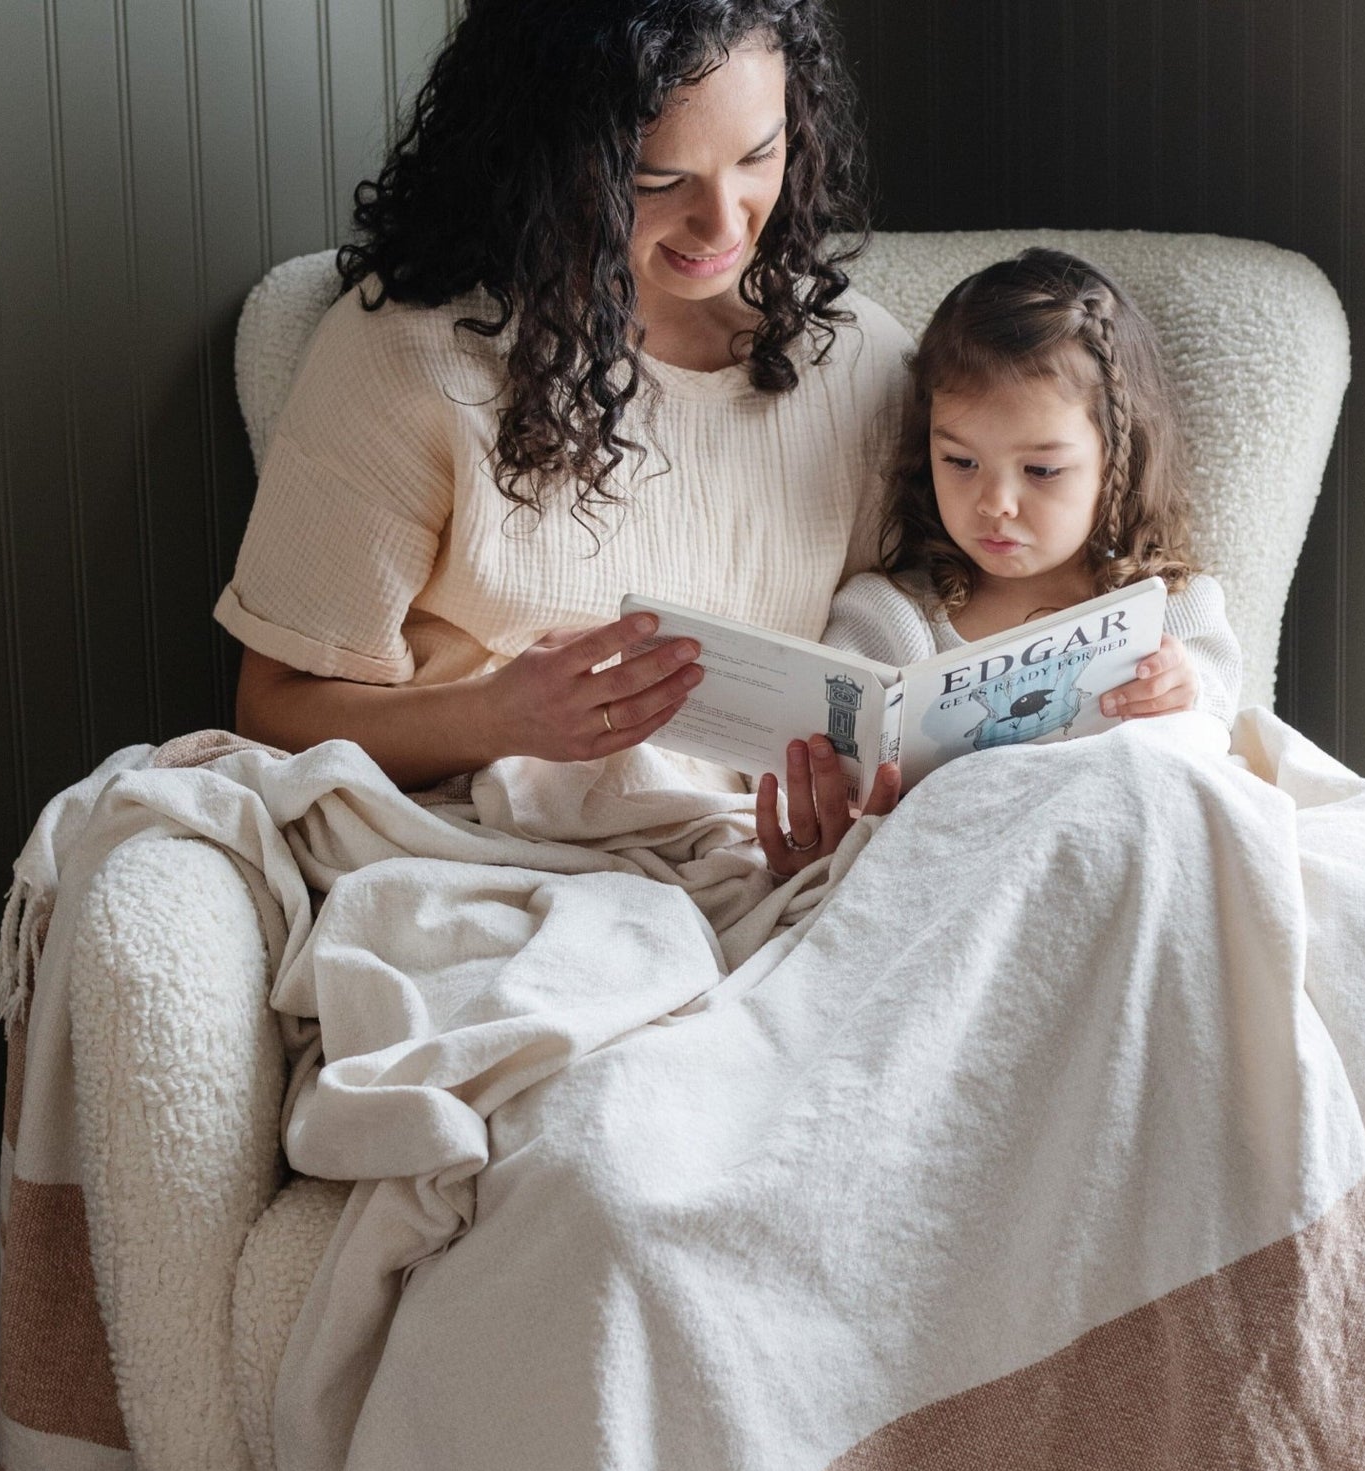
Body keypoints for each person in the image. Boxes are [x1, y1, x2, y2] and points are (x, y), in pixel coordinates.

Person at [218, 0, 907, 860]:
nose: (725, 224)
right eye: (658, 181)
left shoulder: (855, 359)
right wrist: (497, 716)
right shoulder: (414, 354)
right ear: (550, 161)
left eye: (758, 156)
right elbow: (271, 710)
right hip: (487, 851)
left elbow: (925, 631)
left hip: (772, 863)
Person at [759, 248, 1243, 875]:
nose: (995, 504)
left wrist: (1184, 693)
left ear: (1117, 463)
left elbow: (1210, 741)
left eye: (1041, 470)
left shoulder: (1168, 608)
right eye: (961, 462)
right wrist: (828, 835)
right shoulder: (892, 618)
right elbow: (828, 784)